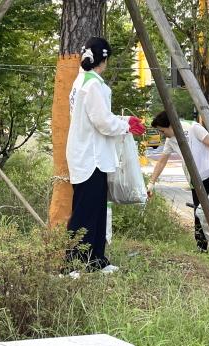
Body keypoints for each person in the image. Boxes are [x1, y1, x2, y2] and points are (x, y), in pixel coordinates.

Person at [66, 36, 145, 276]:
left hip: (89, 155)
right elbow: (102, 122)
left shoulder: (81, 81)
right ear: (105, 59)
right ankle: (70, 264)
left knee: (98, 208)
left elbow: (97, 119)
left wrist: (122, 121)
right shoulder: (92, 85)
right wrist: (125, 125)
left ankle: (96, 259)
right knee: (84, 211)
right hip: (91, 157)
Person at [147, 111, 209, 262]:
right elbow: (162, 161)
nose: (162, 135)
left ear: (170, 125)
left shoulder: (193, 128)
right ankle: (201, 247)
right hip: (196, 178)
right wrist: (151, 182)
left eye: (162, 131)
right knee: (199, 212)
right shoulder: (171, 140)